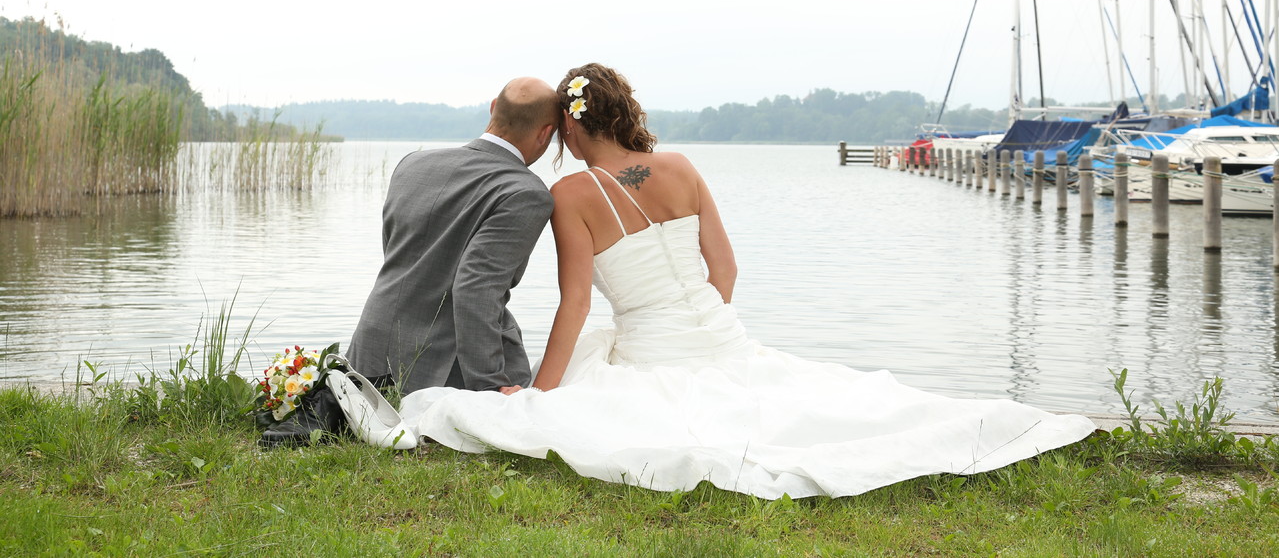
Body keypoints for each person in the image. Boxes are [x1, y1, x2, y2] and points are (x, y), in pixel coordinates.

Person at [396, 64, 1096, 499]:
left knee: (619, 412)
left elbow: (575, 304)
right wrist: (704, 329)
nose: (559, 146)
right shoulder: (682, 168)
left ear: (573, 126)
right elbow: (723, 270)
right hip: (722, 335)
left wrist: (542, 395)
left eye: (562, 134)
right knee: (827, 401)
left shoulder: (573, 194)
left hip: (653, 349)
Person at [345, 76, 559, 395]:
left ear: (493, 109)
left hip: (367, 353)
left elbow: (396, 255)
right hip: (439, 370)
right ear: (545, 133)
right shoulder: (524, 192)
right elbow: (476, 288)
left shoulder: (412, 163)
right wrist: (491, 386)